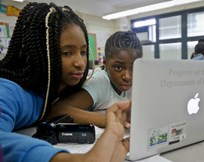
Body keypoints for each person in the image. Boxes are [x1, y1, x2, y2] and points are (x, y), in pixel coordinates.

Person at [0, 2, 130, 162]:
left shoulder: (62, 89)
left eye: (83, 52)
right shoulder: (9, 90)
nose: (80, 63)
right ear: (40, 52)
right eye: (67, 52)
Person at [49, 31, 142, 127]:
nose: (127, 76)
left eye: (133, 68)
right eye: (118, 67)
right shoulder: (100, 81)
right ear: (105, 63)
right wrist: (109, 119)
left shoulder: (135, 82)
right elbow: (56, 111)